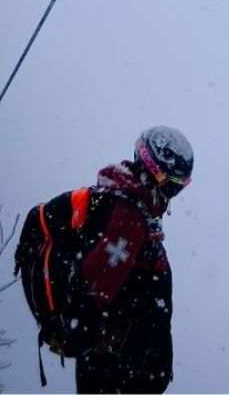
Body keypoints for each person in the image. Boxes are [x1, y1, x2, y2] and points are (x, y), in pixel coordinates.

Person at [75, 125, 193, 394]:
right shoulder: (130, 221)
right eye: (170, 187)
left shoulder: (136, 210)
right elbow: (96, 290)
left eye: (179, 188)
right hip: (120, 374)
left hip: (127, 369)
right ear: (151, 172)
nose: (171, 196)